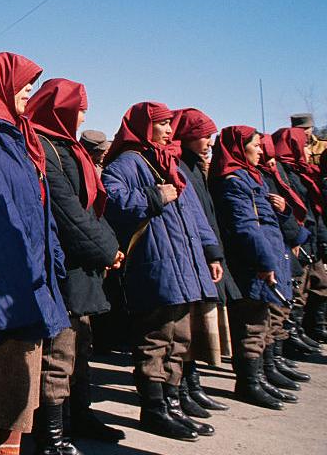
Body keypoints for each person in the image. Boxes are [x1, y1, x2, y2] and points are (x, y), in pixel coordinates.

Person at [0, 54, 70, 455]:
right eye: (23, 82)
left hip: (31, 285)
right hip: (0, 289)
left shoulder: (19, 135)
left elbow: (38, 210)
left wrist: (52, 266)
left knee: (19, 407)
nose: (29, 90)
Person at [101, 101, 222, 442]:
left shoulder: (169, 161)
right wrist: (153, 196)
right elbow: (110, 199)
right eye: (163, 124)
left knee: (180, 338)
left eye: (170, 124)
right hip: (155, 262)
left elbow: (195, 214)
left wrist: (210, 251)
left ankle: (172, 403)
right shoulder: (128, 162)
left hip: (184, 262)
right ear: (144, 126)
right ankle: (153, 409)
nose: (170, 131)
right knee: (156, 338)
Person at [24, 78, 125, 448]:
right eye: (79, 107)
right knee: (59, 354)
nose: (83, 114)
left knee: (80, 348)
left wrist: (109, 247)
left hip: (84, 266)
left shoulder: (67, 147)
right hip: (65, 265)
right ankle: (53, 435)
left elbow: (92, 206)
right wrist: (107, 250)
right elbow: (68, 212)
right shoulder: (44, 146)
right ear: (60, 107)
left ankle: (79, 416)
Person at [209, 126, 295, 410]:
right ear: (239, 148)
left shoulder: (249, 176)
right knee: (252, 324)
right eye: (255, 145)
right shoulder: (233, 181)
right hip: (252, 264)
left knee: (265, 320)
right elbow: (245, 226)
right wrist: (264, 261)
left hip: (265, 257)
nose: (261, 150)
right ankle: (249, 382)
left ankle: (263, 374)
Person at [171, 108, 236, 416]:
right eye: (203, 136)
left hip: (201, 251)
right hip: (187, 254)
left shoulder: (195, 167)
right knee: (184, 328)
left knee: (193, 328)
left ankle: (192, 386)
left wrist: (213, 252)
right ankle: (183, 389)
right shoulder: (178, 166)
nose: (209, 142)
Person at [272, 127, 327, 346]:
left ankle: (312, 326)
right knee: (297, 289)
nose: (307, 149)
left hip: (310, 236)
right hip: (297, 239)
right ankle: (292, 335)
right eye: (302, 144)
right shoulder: (282, 171)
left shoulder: (301, 171)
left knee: (318, 284)